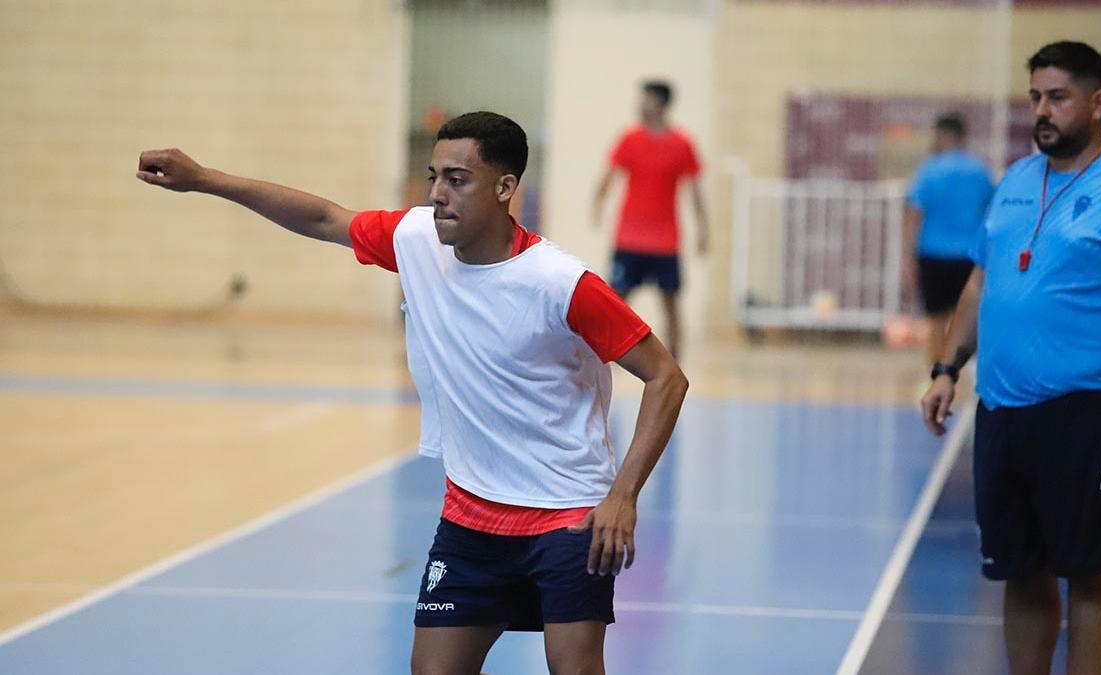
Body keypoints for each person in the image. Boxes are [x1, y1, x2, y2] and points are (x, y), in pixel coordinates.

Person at [136, 111, 689, 675]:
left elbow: (666, 376)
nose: (437, 194)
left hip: (567, 516)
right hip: (471, 515)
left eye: (456, 179)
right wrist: (205, 179)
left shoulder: (561, 283)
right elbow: (325, 217)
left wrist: (622, 495)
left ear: (505, 188)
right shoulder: (416, 240)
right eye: (433, 177)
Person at [920, 42, 1101, 675]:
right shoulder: (1013, 180)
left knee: (1094, 567)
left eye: (1057, 97)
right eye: (1035, 96)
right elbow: (980, 285)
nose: (1042, 110)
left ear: (1098, 104)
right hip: (1005, 413)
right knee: (1020, 567)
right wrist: (946, 368)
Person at [593, 80, 709, 359]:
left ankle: (675, 358)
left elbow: (695, 191)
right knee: (617, 299)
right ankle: (603, 353)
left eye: (646, 99)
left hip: (665, 240)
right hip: (630, 237)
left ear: (661, 103)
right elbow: (609, 177)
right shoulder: (630, 139)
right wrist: (598, 203)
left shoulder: (682, 144)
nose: (640, 104)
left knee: (671, 301)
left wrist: (703, 228)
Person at [903, 113, 995, 365]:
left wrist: (907, 256)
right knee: (964, 319)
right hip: (969, 255)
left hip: (932, 254)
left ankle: (935, 377)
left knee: (935, 320)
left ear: (941, 136)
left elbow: (913, 212)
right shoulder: (979, 170)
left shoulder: (928, 170)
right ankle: (959, 377)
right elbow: (993, 211)